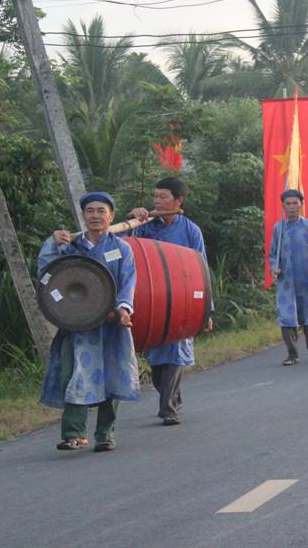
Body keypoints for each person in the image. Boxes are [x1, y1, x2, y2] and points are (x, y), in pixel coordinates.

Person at [39, 191, 141, 452]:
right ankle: (74, 433)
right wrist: (51, 242)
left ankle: (105, 434)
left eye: (101, 211)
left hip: (109, 324)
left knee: (110, 378)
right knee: (71, 375)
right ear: (83, 215)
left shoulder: (121, 248)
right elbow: (47, 275)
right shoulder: (69, 246)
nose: (95, 216)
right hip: (76, 326)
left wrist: (123, 309)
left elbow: (128, 283)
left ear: (111, 216)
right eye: (90, 211)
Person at [128, 177, 210, 425]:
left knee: (176, 353)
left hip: (183, 302)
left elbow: (202, 269)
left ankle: (168, 409)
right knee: (156, 362)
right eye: (155, 197)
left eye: (163, 197)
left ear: (178, 200)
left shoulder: (190, 230)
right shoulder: (145, 227)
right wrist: (134, 220)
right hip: (154, 304)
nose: (157, 201)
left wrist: (206, 311)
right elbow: (129, 250)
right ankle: (173, 397)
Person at [269, 189, 308, 366]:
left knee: (306, 313)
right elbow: (272, 254)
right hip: (286, 280)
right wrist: (274, 268)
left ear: (301, 204)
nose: (292, 207)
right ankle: (292, 354)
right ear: (283, 206)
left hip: (306, 278)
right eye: (288, 204)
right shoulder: (279, 228)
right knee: (286, 316)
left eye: (295, 203)